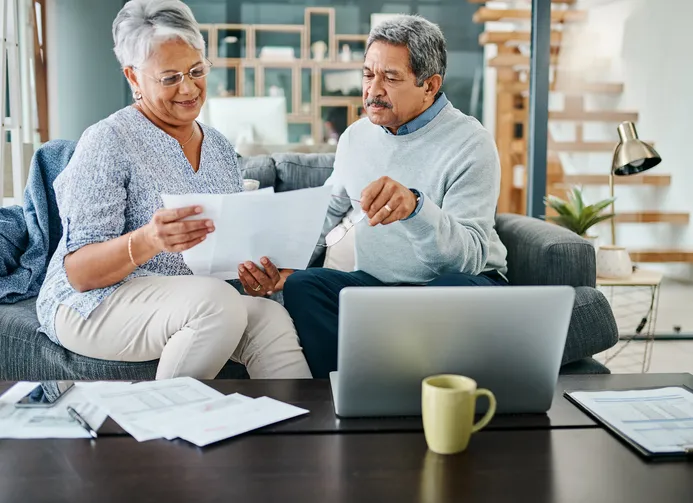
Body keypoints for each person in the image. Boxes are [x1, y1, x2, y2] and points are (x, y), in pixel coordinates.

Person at [35, 0, 311, 380]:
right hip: (91, 302)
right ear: (133, 78)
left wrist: (252, 274)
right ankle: (164, 427)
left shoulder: (217, 146)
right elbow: (80, 273)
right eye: (169, 78)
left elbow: (221, 259)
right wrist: (150, 239)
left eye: (197, 71)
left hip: (191, 298)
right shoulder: (108, 140)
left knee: (269, 317)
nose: (189, 88)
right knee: (217, 304)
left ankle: (296, 435)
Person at [235, 14, 509, 379]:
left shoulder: (471, 143)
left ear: (430, 85)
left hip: (456, 282)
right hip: (379, 286)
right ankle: (342, 393)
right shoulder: (356, 137)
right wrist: (283, 263)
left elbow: (469, 259)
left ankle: (416, 395)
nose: (372, 89)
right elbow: (329, 210)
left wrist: (416, 209)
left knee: (451, 291)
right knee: (305, 286)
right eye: (368, 74)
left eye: (390, 78)